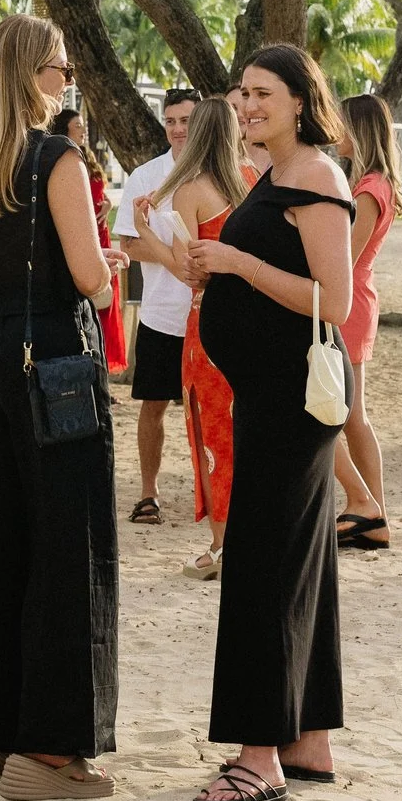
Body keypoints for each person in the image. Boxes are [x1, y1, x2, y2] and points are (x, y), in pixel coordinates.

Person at [0, 14, 118, 801]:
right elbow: (86, 276)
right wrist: (110, 272)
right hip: (50, 358)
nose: (67, 79)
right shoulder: (57, 157)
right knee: (67, 545)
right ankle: (48, 751)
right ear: (29, 75)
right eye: (59, 67)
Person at [184, 45, 353, 801]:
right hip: (269, 391)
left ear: (298, 101)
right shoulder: (273, 174)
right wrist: (212, 269)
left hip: (292, 398)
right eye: (241, 93)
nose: (247, 105)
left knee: (263, 565)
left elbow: (334, 299)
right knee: (300, 558)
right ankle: (306, 739)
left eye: (262, 93)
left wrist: (237, 266)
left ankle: (260, 758)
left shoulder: (317, 176)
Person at [139, 96, 248, 579]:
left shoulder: (192, 190)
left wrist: (150, 236)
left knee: (211, 433)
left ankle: (222, 546)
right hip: (253, 318)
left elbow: (190, 273)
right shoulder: (253, 182)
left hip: (208, 324)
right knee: (246, 431)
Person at [112, 87, 200, 526]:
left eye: (185, 120)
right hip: (162, 313)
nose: (178, 129)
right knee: (153, 405)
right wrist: (176, 252)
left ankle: (213, 490)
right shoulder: (145, 176)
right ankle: (149, 492)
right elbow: (125, 243)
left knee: (214, 409)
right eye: (171, 121)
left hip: (210, 314)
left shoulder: (219, 171)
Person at [331, 93, 397, 549]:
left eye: (341, 124)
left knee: (342, 415)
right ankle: (373, 513)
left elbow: (345, 256)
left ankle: (368, 507)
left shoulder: (370, 188)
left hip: (350, 300)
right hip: (356, 295)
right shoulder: (372, 183)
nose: (334, 131)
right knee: (353, 416)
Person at [51, 105, 130, 373]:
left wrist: (107, 205)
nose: (83, 130)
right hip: (85, 236)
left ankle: (105, 366)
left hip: (102, 233)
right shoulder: (61, 159)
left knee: (108, 305)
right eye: (78, 125)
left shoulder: (87, 158)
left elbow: (100, 193)